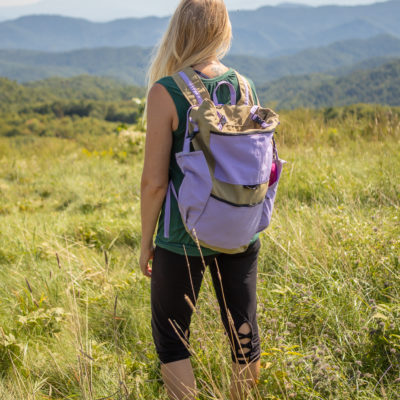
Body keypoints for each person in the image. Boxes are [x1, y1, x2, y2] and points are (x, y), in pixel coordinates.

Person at [139, 1, 263, 399]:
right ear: (222, 30)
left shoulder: (167, 92)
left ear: (179, 31)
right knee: (243, 334)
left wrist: (146, 242)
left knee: (173, 340)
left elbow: (154, 183)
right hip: (241, 230)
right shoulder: (245, 86)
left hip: (182, 237)